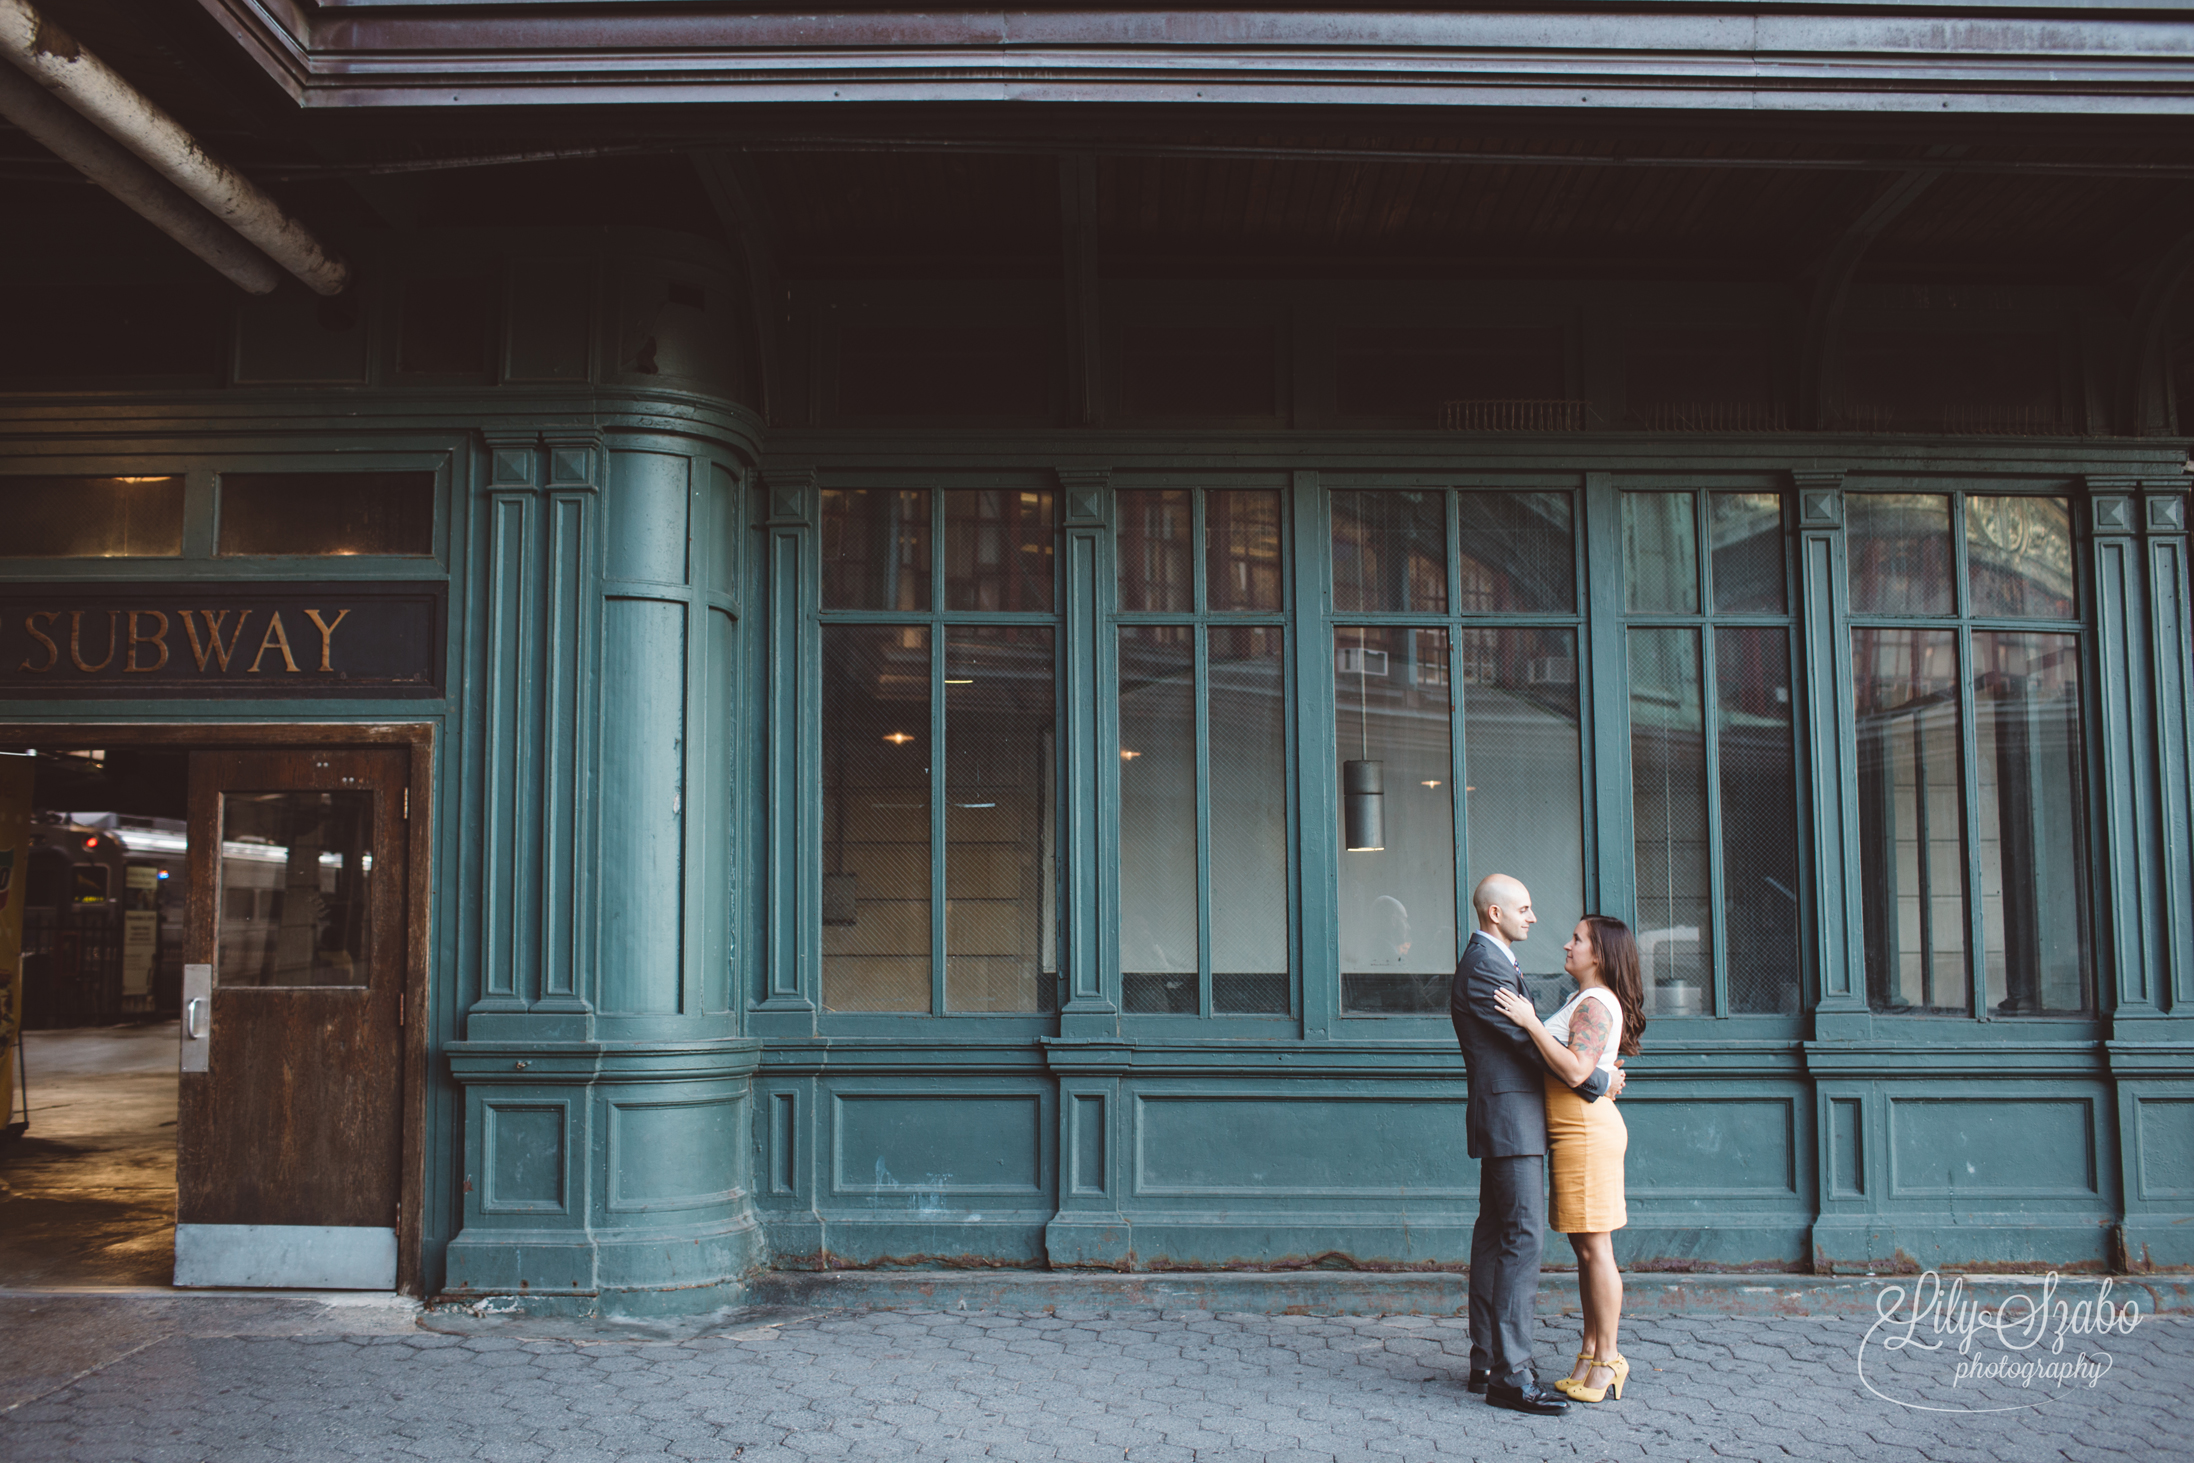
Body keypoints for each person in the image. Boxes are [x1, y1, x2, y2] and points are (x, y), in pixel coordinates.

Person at [1448, 874, 1624, 1417]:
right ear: (1495, 913)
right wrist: (1599, 1080)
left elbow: (1534, 1040)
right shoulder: (1485, 968)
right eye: (1524, 908)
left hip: (1513, 1118)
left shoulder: (1495, 962)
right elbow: (1528, 1046)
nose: (1534, 917)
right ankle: (1510, 1375)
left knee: (1497, 1234)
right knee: (1520, 1240)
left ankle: (1489, 1360)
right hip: (1512, 1120)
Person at [1492, 914, 1648, 1405]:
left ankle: (1609, 1360)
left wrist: (1529, 1022)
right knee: (1585, 1252)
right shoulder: (1587, 1000)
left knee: (1596, 1250)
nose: (1567, 944)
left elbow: (1579, 1070)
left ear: (1598, 953)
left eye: (1577, 939)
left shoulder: (1597, 1002)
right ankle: (1589, 1354)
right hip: (1573, 1132)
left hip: (1585, 1133)